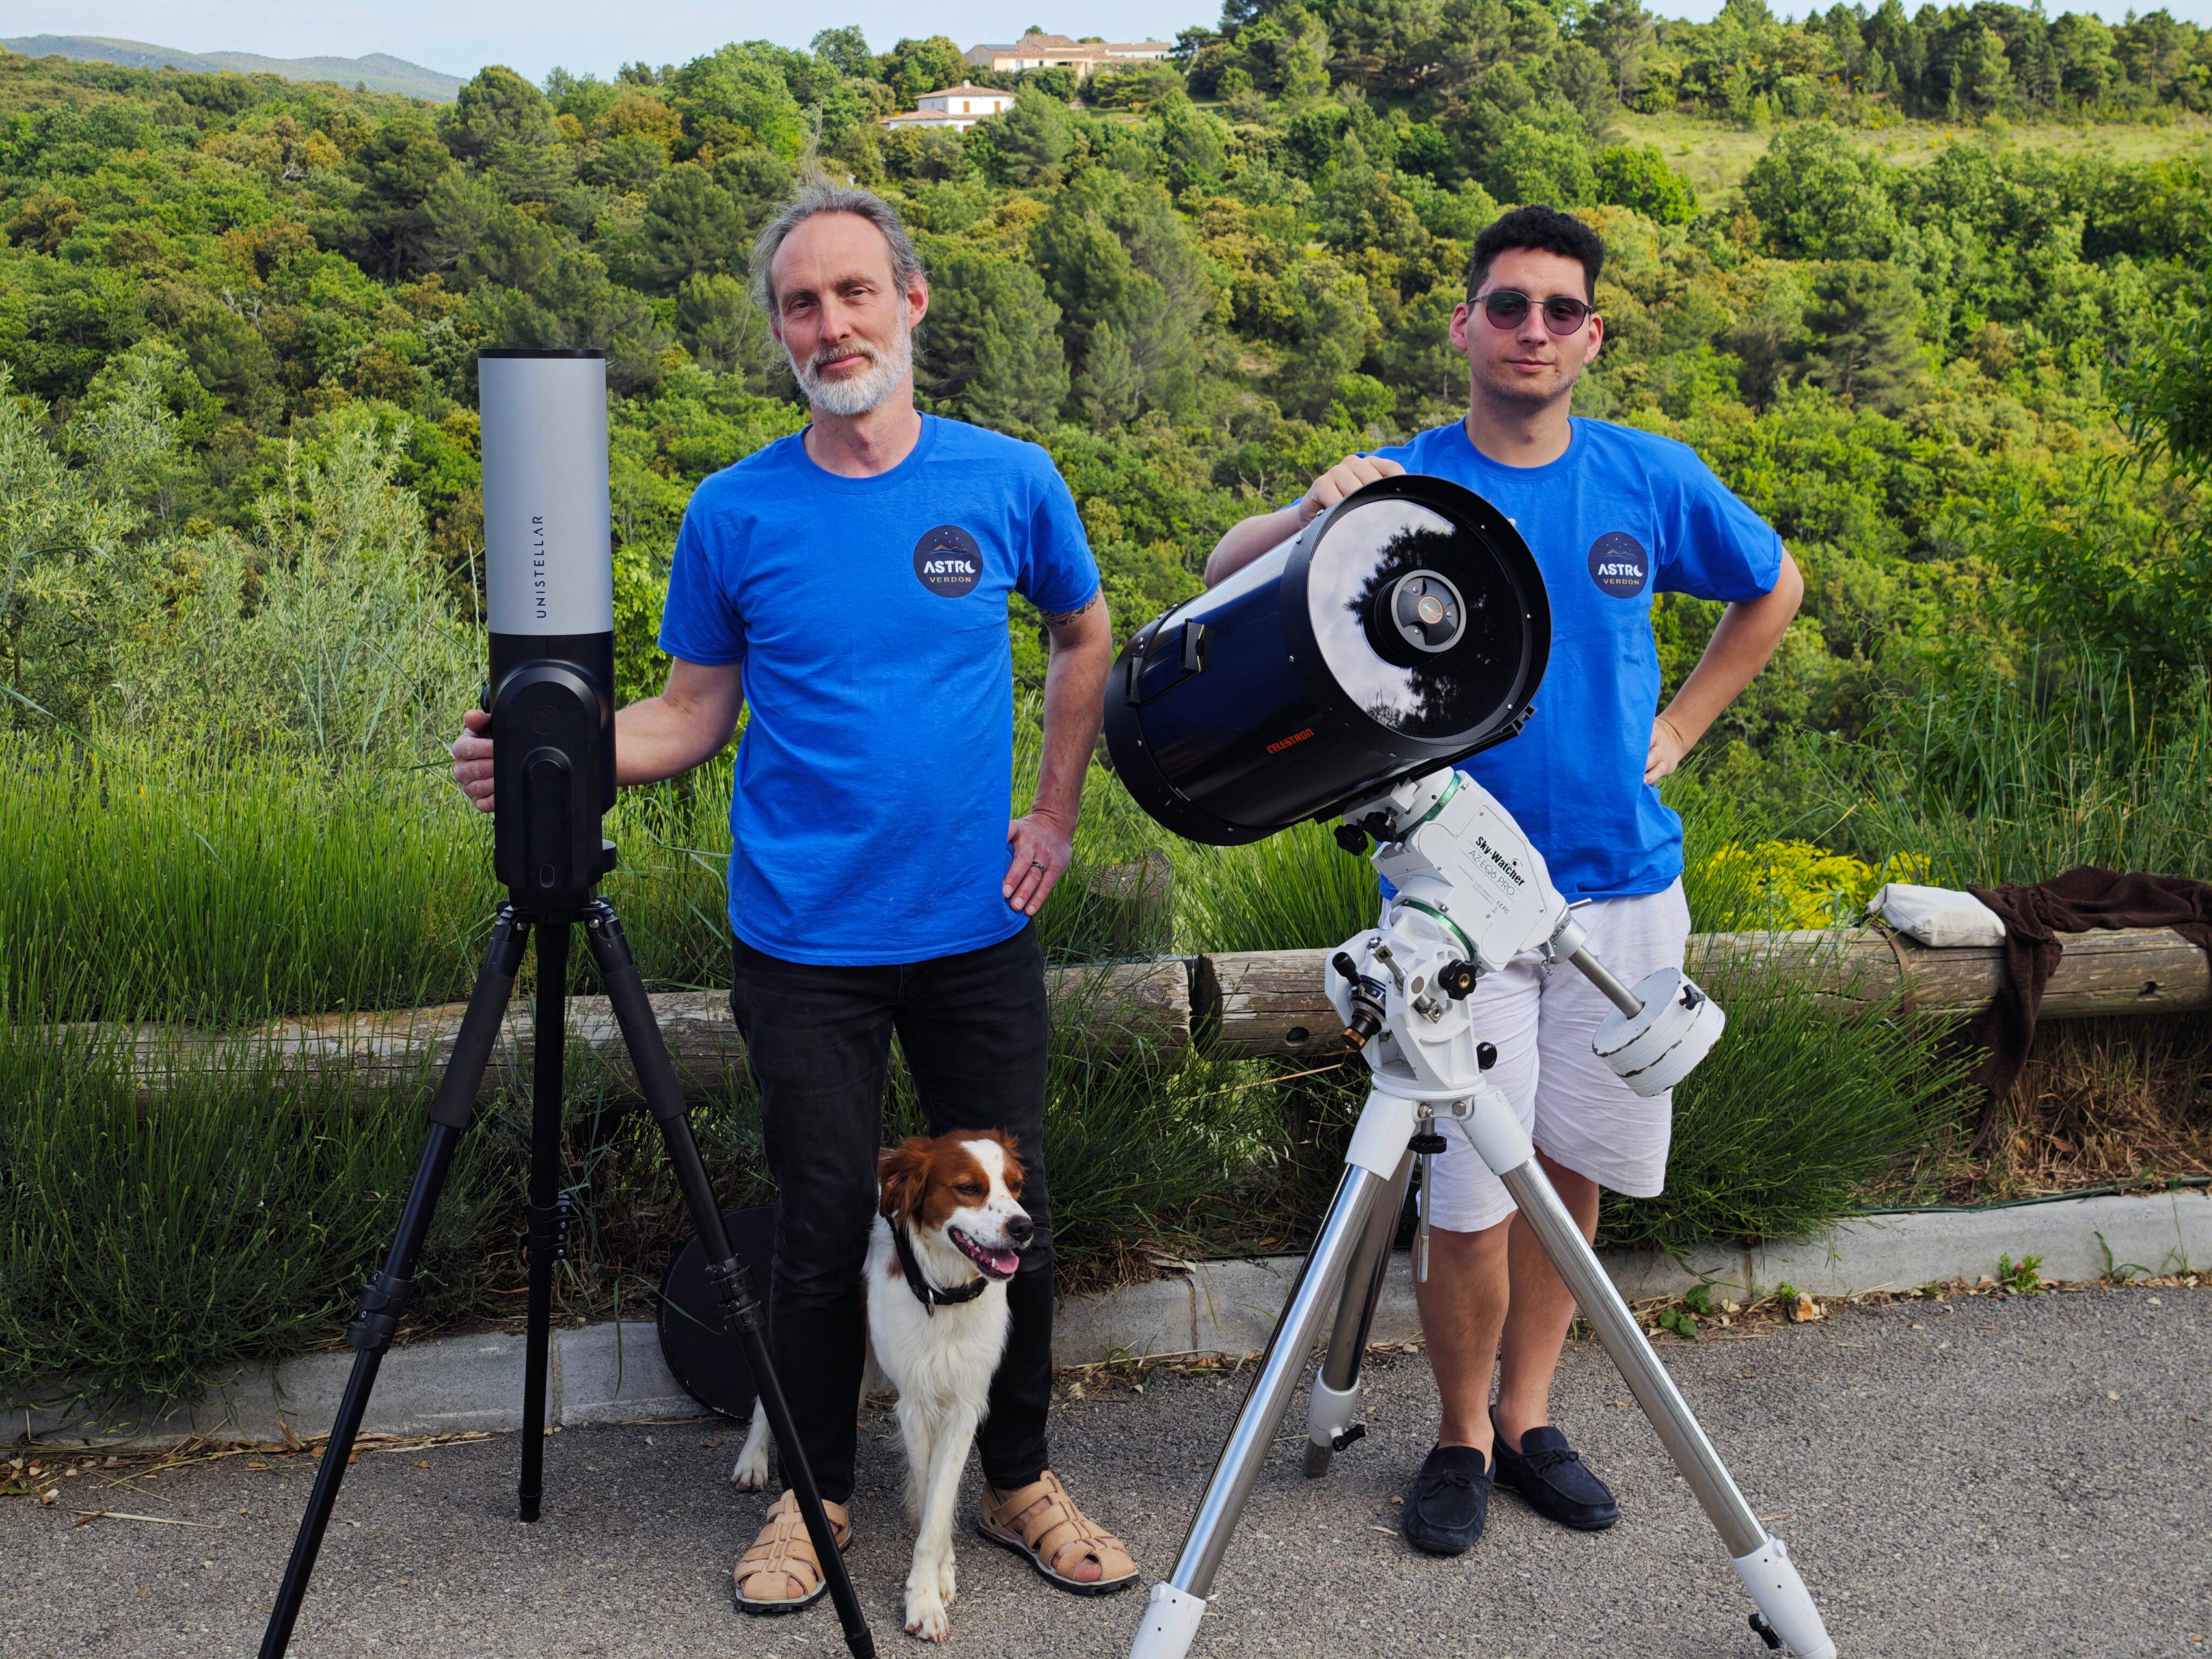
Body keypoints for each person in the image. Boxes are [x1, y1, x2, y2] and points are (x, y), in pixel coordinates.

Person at [451, 181, 1136, 1615]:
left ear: (912, 301)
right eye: (802, 304)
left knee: (1018, 1218)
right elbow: (690, 713)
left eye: (855, 292)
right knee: (822, 1223)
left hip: (976, 929)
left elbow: (1085, 634)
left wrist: (1057, 811)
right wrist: (545, 759)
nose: (832, 325)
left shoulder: (1008, 479)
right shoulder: (734, 509)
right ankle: (814, 1498)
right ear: (779, 330)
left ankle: (1017, 1480)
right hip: (805, 940)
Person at [1205, 205, 1804, 1555]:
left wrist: (1681, 728)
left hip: (1620, 890)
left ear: (1591, 338)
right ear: (1463, 325)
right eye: (1507, 305)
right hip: (1452, 903)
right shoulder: (1402, 483)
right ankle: (1458, 1434)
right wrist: (1306, 508)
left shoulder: (1647, 478)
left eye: (1559, 310)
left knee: (1569, 1177)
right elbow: (1222, 575)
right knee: (1468, 1196)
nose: (1532, 329)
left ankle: (1530, 1418)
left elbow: (1771, 586)